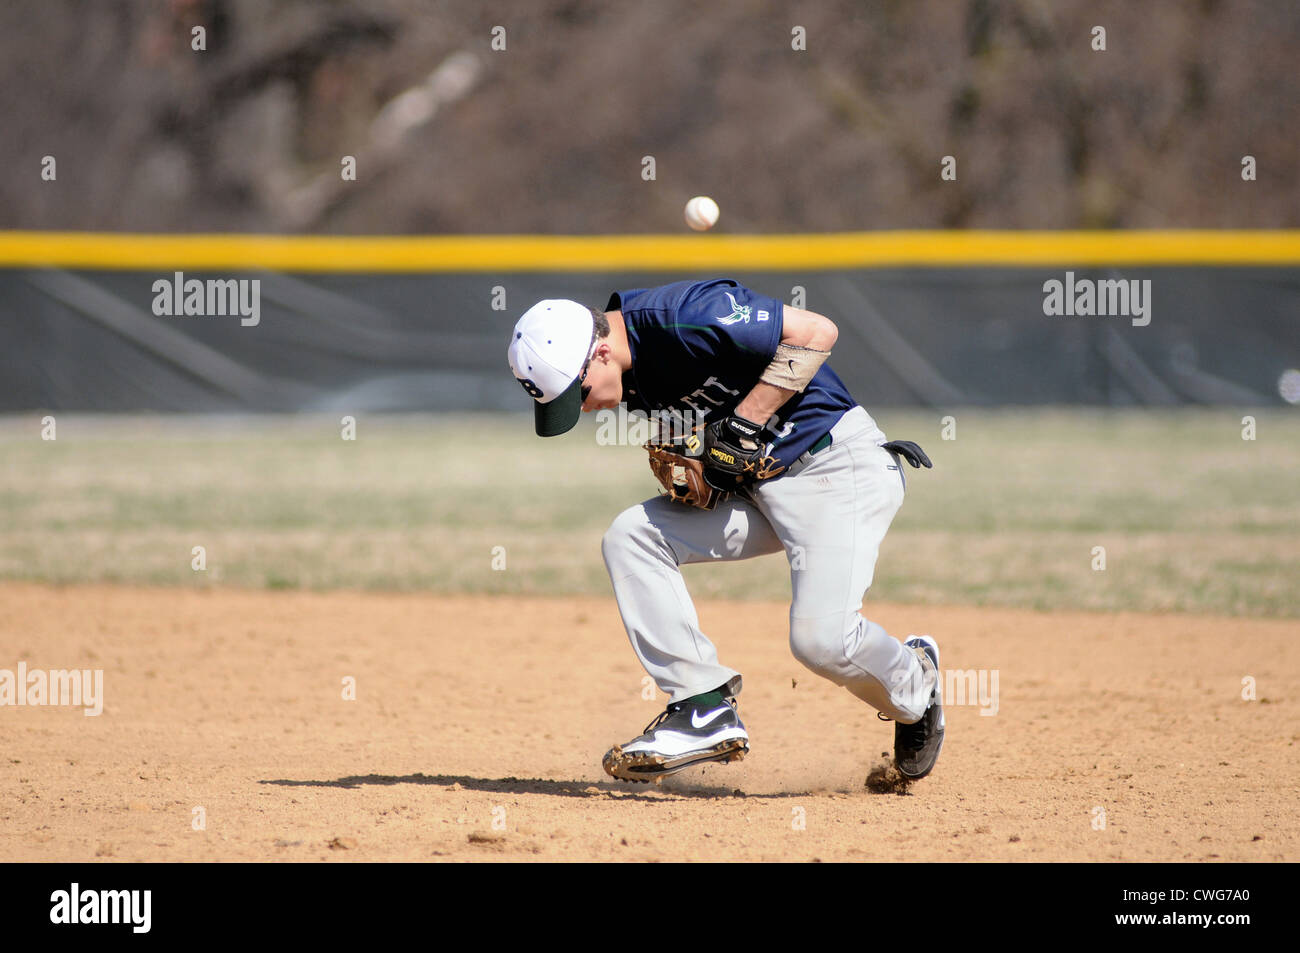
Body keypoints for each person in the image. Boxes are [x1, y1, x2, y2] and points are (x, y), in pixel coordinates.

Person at [506, 279, 943, 783]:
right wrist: (708, 470)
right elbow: (714, 434)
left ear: (600, 351)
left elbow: (817, 332)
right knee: (632, 535)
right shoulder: (630, 376)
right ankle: (702, 704)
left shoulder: (686, 316)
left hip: (833, 469)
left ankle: (918, 683)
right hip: (760, 491)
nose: (582, 409)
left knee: (821, 642)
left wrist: (742, 423)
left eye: (578, 393)